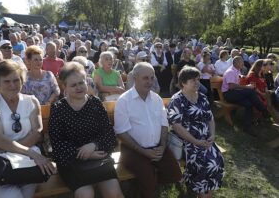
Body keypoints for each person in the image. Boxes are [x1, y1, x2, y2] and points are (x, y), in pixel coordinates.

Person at [0, 60, 56, 198]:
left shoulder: (31, 101)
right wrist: (32, 153)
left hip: (28, 163)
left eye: (16, 80)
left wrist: (0, 148)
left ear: (22, 80)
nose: (12, 85)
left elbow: (36, 134)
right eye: (6, 81)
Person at [48, 64, 124, 198]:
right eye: (73, 85)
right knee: (86, 194)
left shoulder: (95, 103)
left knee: (114, 192)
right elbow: (57, 144)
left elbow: (109, 133)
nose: (79, 87)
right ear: (64, 87)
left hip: (99, 157)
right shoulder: (58, 109)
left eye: (81, 82)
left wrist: (93, 146)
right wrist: (85, 154)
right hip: (71, 161)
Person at [114, 62, 182, 198]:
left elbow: (164, 124)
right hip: (133, 150)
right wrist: (144, 152)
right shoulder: (124, 101)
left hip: (157, 148)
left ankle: (142, 186)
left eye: (152, 78)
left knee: (175, 174)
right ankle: (144, 188)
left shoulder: (156, 99)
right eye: (146, 78)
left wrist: (162, 146)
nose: (150, 82)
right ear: (134, 77)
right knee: (148, 180)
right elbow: (121, 133)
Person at [167, 66, 224, 198]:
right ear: (183, 83)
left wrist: (212, 135)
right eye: (193, 80)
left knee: (217, 160)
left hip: (204, 139)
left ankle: (203, 189)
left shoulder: (202, 98)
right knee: (206, 163)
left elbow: (210, 119)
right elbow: (176, 126)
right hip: (187, 141)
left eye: (198, 79)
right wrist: (196, 141)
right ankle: (203, 191)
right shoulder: (177, 100)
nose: (197, 82)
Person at [222, 56, 269, 135]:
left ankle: (247, 127)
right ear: (236, 63)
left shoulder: (236, 70)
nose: (243, 64)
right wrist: (246, 87)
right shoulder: (230, 71)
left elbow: (236, 82)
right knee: (250, 91)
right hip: (229, 94)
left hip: (235, 93)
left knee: (249, 104)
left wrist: (241, 77)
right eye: (242, 62)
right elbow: (231, 86)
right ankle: (263, 110)